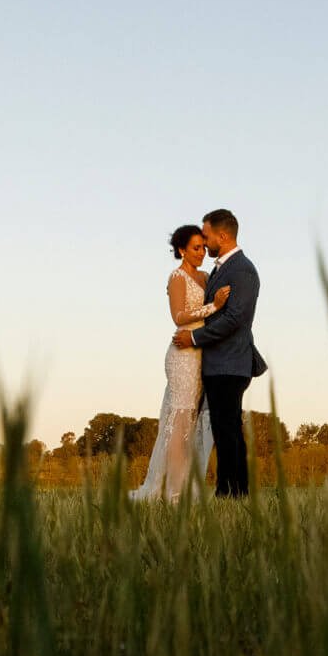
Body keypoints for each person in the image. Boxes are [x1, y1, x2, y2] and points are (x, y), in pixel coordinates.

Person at [171, 208, 268, 497]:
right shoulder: (219, 269)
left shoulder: (242, 270)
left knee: (227, 429)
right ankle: (230, 489)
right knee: (223, 428)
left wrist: (195, 338)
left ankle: (233, 491)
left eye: (208, 235)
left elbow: (235, 318)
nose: (205, 239)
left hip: (230, 362)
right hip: (217, 363)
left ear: (222, 236)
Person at [129, 224, 222, 501]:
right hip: (182, 358)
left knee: (191, 422)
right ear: (182, 250)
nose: (202, 252)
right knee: (180, 421)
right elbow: (179, 317)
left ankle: (185, 484)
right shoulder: (177, 277)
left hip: (201, 355)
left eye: (204, 247)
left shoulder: (206, 277)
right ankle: (173, 492)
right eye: (196, 248)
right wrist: (213, 306)